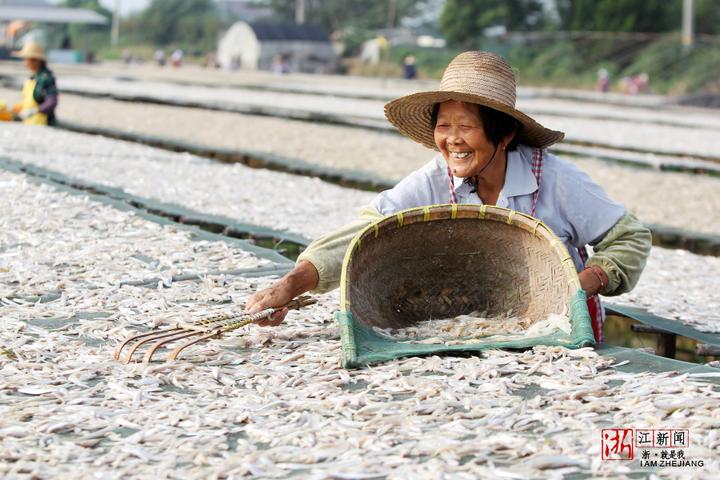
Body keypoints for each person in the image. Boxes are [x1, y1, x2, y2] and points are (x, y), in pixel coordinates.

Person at [246, 51, 651, 343]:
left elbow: (630, 237)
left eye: (466, 127)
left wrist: (583, 283)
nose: (452, 140)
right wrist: (293, 283)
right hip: (475, 328)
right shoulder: (434, 179)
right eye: (444, 126)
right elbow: (365, 231)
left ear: (504, 134)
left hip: (559, 332)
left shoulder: (555, 179)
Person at [10, 42, 58, 126]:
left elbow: (52, 102)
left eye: (27, 59)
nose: (25, 63)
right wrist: (20, 107)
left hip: (43, 124)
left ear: (36, 60)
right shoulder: (33, 78)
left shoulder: (46, 79)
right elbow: (29, 100)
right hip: (30, 122)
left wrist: (35, 111)